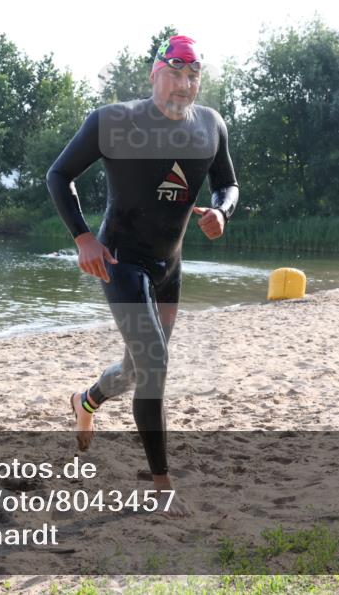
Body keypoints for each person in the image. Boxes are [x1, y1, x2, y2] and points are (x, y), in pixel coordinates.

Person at [47, 35, 238, 518]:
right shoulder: (114, 121)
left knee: (139, 368)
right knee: (154, 363)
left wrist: (223, 211)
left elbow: (227, 183)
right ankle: (161, 484)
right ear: (154, 75)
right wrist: (83, 238)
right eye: (174, 74)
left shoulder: (211, 127)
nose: (184, 85)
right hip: (120, 261)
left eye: (192, 76)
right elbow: (58, 175)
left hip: (169, 268)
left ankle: (85, 400)